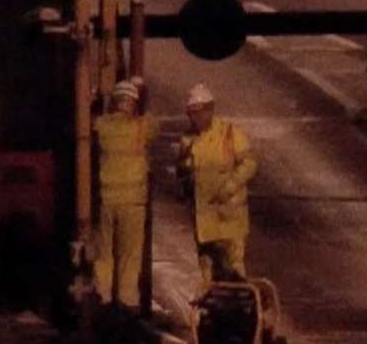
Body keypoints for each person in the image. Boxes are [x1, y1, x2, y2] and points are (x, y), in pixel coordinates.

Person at [177, 83, 257, 287]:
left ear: (210, 109)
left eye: (199, 112)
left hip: (230, 215)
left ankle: (238, 309)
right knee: (207, 268)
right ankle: (213, 311)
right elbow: (183, 171)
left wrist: (229, 188)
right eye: (191, 113)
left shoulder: (230, 134)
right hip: (204, 217)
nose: (195, 118)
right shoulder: (188, 140)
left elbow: (249, 164)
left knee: (234, 268)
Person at [91, 79, 158, 309]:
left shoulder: (102, 126)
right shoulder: (140, 127)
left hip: (107, 201)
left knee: (104, 254)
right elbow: (153, 125)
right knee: (130, 256)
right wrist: (142, 89)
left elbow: (91, 127)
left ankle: (103, 296)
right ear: (132, 103)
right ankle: (126, 302)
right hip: (132, 203)